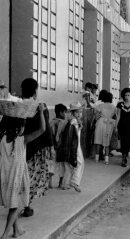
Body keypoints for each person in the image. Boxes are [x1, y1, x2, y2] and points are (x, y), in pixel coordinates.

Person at [0, 104, 46, 239]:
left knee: (14, 203)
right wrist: (41, 112)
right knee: (15, 207)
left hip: (4, 174)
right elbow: (42, 129)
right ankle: (4, 234)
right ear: (19, 127)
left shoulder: (1, 139)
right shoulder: (22, 140)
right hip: (16, 175)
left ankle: (17, 230)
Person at [21, 78, 53, 218]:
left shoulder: (18, 105)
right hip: (39, 149)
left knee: (24, 176)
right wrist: (51, 147)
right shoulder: (41, 106)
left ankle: (24, 204)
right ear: (35, 91)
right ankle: (27, 205)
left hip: (23, 146)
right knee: (34, 177)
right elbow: (46, 129)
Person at [59, 102, 85, 193]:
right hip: (74, 146)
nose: (79, 114)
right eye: (77, 112)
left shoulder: (73, 121)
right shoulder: (73, 121)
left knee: (68, 166)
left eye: (80, 112)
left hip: (72, 145)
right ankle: (74, 182)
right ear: (73, 113)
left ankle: (65, 184)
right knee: (79, 163)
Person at [116, 88, 130, 167]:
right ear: (123, 96)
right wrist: (116, 126)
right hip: (121, 125)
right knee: (123, 142)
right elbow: (118, 116)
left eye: (128, 95)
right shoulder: (120, 105)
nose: (127, 97)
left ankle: (125, 156)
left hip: (129, 125)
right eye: (125, 95)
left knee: (127, 141)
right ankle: (123, 158)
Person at [94, 92, 117, 165]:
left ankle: (97, 158)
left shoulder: (100, 105)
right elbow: (115, 116)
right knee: (107, 142)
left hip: (100, 123)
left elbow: (96, 116)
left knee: (98, 141)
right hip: (109, 124)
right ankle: (106, 159)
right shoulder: (113, 107)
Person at [49, 104, 68, 189]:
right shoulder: (64, 123)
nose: (65, 114)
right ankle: (60, 183)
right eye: (64, 112)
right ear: (60, 112)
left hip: (52, 146)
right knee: (61, 165)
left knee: (51, 164)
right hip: (60, 147)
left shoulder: (51, 122)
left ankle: (49, 183)